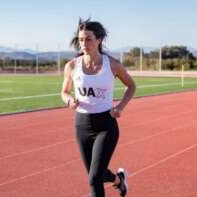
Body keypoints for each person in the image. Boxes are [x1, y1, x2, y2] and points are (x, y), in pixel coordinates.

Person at [61, 18, 136, 197]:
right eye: (80, 40)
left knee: (94, 179)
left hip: (106, 125)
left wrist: (120, 107)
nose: (84, 44)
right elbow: (64, 92)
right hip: (82, 125)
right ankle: (119, 180)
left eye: (88, 39)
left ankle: (117, 180)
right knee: (96, 175)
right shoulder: (72, 66)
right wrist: (69, 101)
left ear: (99, 40)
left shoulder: (112, 64)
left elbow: (131, 86)